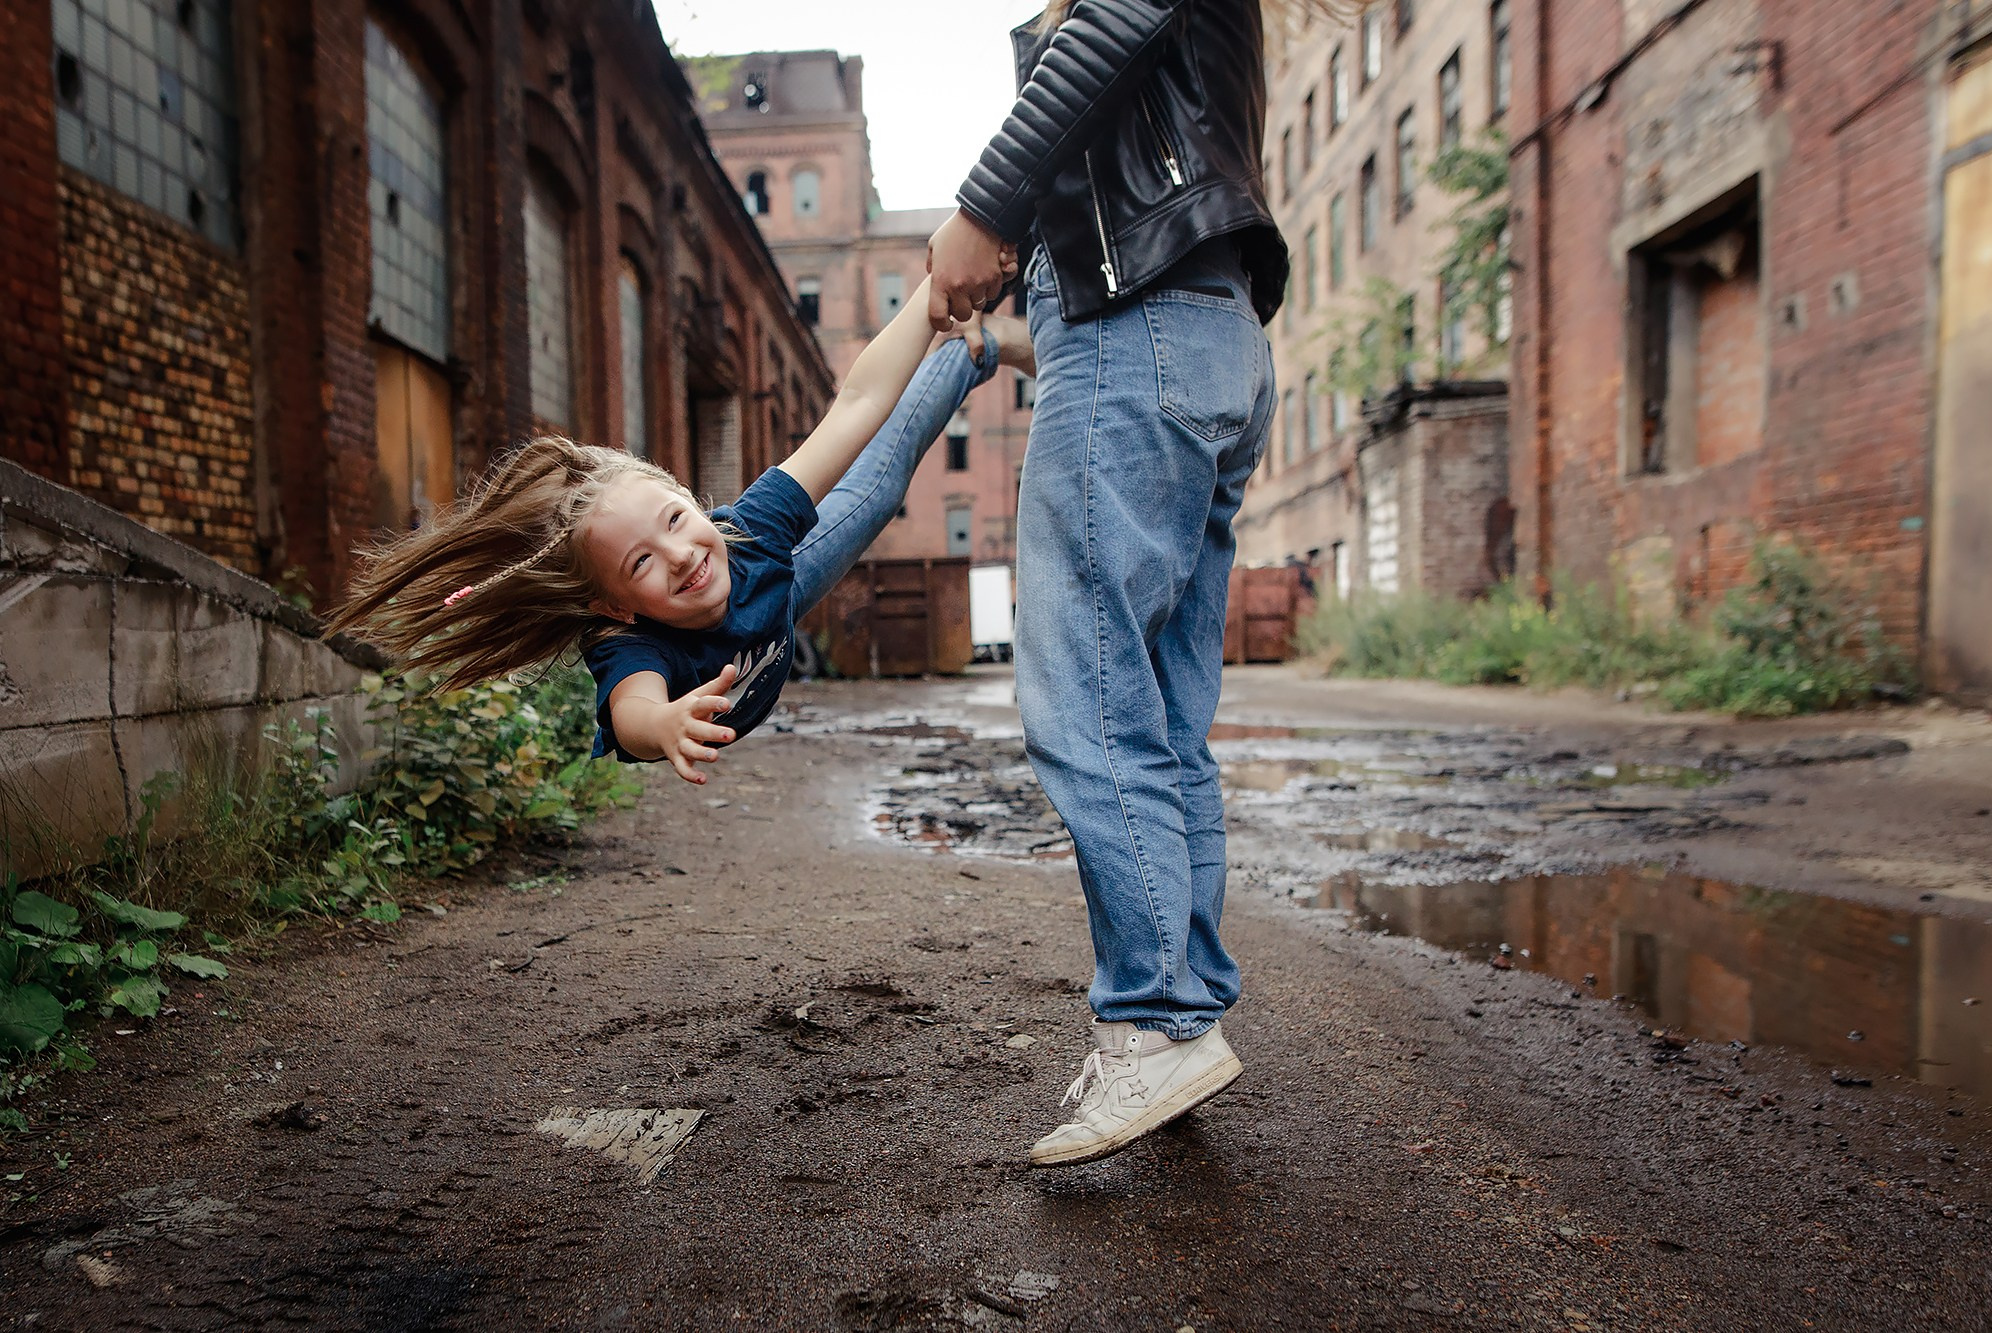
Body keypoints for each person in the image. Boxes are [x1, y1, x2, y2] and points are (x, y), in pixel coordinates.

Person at [927, 0, 1347, 1167]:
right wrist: (1024, 339)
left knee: (1087, 702)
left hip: (1139, 341)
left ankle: (1154, 1020)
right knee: (1160, 714)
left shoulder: (1105, 12)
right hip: (1209, 343)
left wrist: (980, 206)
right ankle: (1185, 1015)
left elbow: (1108, 24)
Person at [328, 279, 1033, 782]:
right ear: (615, 604)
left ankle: (976, 348)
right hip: (753, 609)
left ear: (687, 495)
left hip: (768, 576)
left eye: (674, 518)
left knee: (875, 487)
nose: (681, 555)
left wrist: (935, 291)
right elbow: (634, 708)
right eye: (641, 563)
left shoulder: (742, 531)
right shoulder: (629, 640)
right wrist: (661, 725)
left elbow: (858, 402)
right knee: (866, 496)